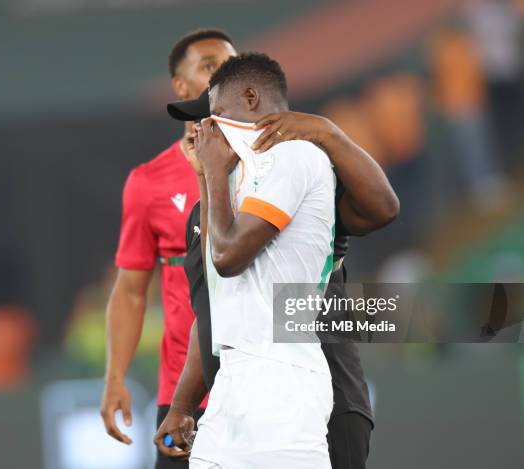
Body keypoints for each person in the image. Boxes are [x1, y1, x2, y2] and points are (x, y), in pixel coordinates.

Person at [155, 78, 399, 467]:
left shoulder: (297, 174)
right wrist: (183, 403)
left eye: (210, 119)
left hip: (319, 389)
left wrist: (328, 132)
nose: (198, 132)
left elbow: (383, 208)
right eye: (195, 123)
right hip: (236, 396)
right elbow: (215, 314)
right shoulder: (204, 215)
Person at [100, 29, 236, 469]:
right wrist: (115, 376)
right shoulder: (149, 182)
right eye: (210, 65)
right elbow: (132, 290)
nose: (223, 74)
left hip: (260, 386)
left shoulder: (272, 162)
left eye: (231, 64)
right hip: (184, 396)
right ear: (179, 86)